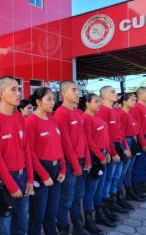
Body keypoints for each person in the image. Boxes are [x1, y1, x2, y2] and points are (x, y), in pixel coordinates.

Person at [0, 76, 33, 235]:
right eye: (13, 89)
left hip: (22, 177)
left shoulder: (19, 116)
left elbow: (26, 149)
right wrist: (11, 185)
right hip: (3, 181)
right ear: (1, 93)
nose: (18, 93)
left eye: (19, 89)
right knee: (3, 227)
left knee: (21, 224)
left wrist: (30, 179)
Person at [25, 87, 66, 235]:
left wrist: (62, 169)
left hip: (56, 171)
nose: (52, 102)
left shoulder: (52, 119)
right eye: (48, 99)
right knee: (38, 215)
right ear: (38, 101)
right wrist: (43, 174)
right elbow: (29, 152)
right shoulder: (31, 121)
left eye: (53, 99)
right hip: (40, 171)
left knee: (51, 212)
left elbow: (58, 146)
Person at [54, 81, 91, 235]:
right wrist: (75, 165)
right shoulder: (61, 113)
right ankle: (63, 228)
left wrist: (87, 159)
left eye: (78, 90)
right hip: (70, 165)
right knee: (66, 199)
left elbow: (83, 138)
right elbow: (65, 143)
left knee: (78, 196)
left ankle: (78, 226)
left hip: (81, 162)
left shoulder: (77, 112)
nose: (78, 93)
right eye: (74, 90)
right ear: (64, 93)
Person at [80, 93, 115, 232]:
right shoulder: (86, 118)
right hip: (94, 157)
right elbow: (88, 141)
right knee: (91, 189)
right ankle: (88, 220)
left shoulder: (97, 117)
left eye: (100, 101)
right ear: (87, 103)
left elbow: (105, 138)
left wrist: (108, 152)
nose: (99, 104)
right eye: (96, 101)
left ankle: (99, 214)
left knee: (100, 187)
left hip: (103, 155)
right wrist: (100, 155)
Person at [96, 86, 130, 217]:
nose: (116, 94)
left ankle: (114, 200)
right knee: (108, 178)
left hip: (119, 146)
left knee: (116, 176)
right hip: (110, 148)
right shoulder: (102, 111)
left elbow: (121, 131)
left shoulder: (116, 111)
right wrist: (112, 152)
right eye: (113, 92)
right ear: (104, 95)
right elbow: (105, 136)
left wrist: (125, 147)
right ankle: (106, 204)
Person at [118, 93, 146, 202]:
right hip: (127, 142)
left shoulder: (129, 113)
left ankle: (129, 191)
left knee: (129, 169)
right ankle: (120, 195)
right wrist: (126, 147)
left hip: (132, 141)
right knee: (123, 171)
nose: (134, 102)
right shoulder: (121, 114)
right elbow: (122, 133)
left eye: (135, 100)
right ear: (124, 102)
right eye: (132, 100)